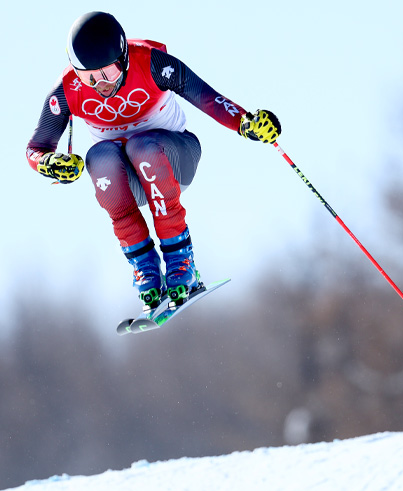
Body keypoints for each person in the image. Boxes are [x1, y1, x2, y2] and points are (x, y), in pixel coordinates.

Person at [25, 11, 281, 311]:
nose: (100, 85)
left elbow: (207, 97)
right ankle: (146, 273)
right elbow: (36, 148)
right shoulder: (67, 89)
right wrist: (49, 163)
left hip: (176, 159)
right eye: (89, 77)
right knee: (99, 157)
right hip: (131, 179)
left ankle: (180, 264)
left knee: (141, 146)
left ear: (123, 58)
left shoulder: (151, 63)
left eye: (108, 73)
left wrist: (245, 122)